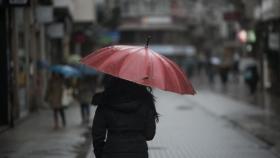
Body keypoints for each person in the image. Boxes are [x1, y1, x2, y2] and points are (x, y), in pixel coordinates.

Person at [91, 75, 158, 158]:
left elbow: (97, 134)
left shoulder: (106, 99)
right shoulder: (145, 100)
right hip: (139, 153)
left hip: (112, 152)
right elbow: (149, 134)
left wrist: (100, 154)